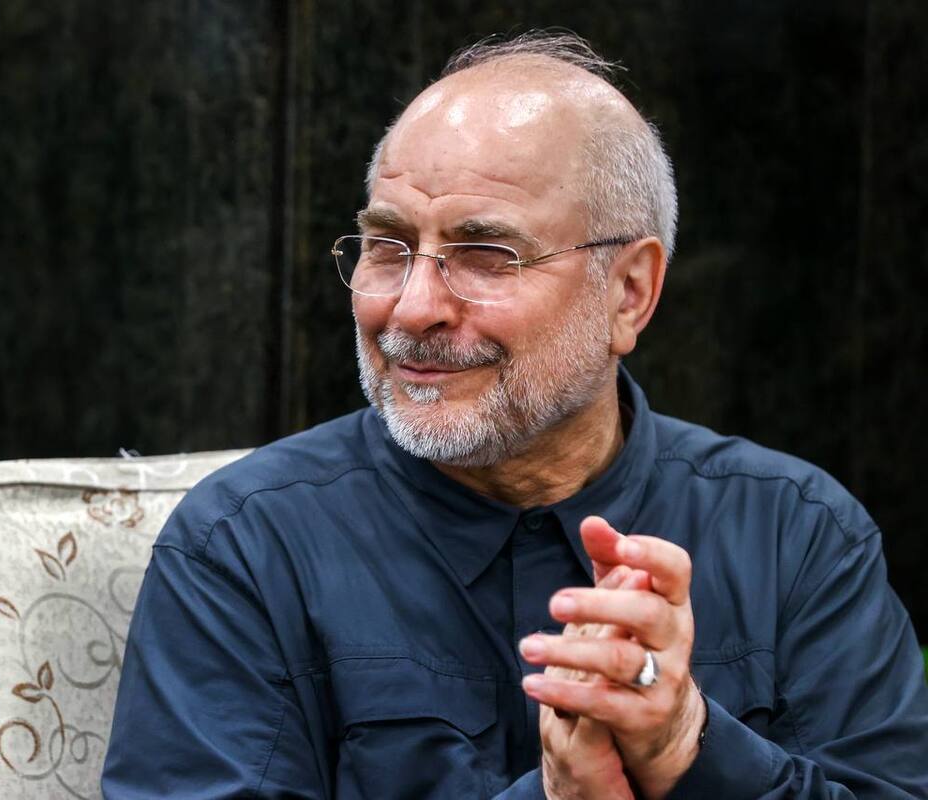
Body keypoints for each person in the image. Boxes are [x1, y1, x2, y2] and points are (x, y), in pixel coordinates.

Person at [102, 32, 928, 799]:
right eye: (388, 246)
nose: (412, 308)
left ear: (629, 293)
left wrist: (685, 743)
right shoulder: (245, 546)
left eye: (484, 255)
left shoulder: (795, 534)